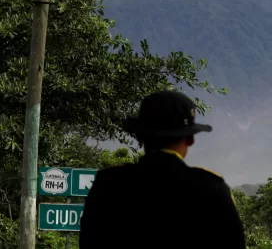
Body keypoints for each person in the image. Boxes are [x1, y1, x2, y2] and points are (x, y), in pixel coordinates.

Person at [80, 90, 245, 249]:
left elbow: (89, 242)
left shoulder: (109, 183)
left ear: (140, 136)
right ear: (190, 139)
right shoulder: (212, 188)